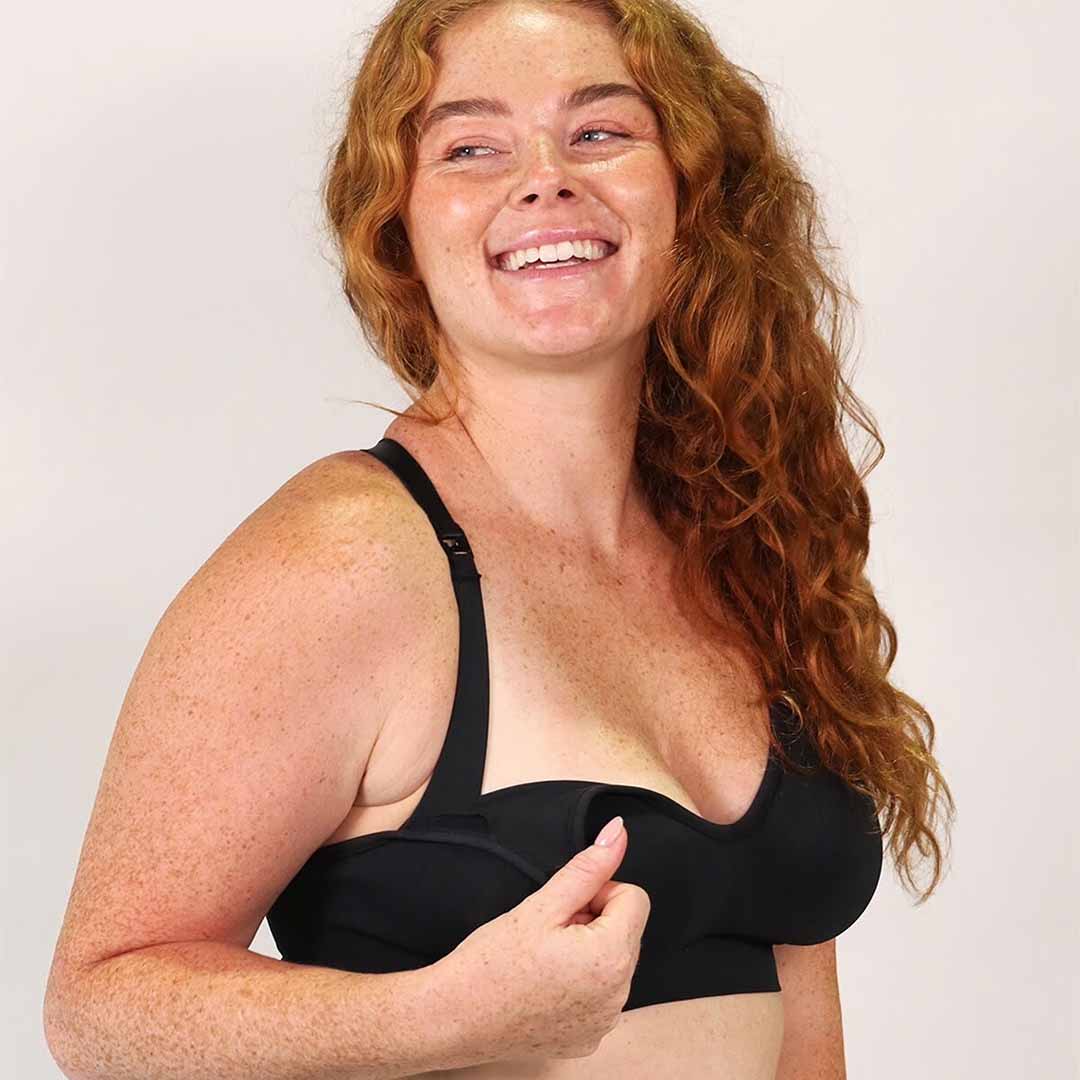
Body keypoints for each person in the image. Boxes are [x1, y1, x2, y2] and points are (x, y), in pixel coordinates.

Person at [43, 1, 955, 1077]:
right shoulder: (347, 559)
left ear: (694, 192)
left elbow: (805, 1019)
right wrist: (439, 1018)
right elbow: (97, 1012)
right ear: (398, 227)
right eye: (471, 147)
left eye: (600, 132)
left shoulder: (743, 543)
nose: (544, 179)